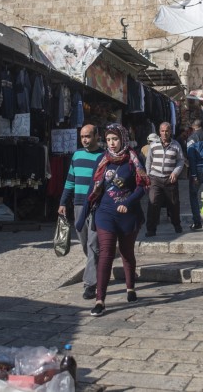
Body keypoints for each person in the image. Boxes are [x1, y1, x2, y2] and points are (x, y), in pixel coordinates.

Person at [75, 123, 148, 317]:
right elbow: (93, 188)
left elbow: (142, 186)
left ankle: (130, 287)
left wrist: (129, 202)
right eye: (108, 140)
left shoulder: (134, 160)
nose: (112, 143)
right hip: (105, 213)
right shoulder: (102, 159)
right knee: (105, 253)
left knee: (126, 252)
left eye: (115, 139)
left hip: (128, 214)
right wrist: (82, 216)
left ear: (122, 138)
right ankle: (100, 300)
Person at [58, 124, 104, 300]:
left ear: (96, 136)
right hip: (78, 205)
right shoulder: (76, 155)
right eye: (82, 136)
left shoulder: (103, 157)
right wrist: (63, 202)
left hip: (95, 205)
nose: (85, 139)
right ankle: (96, 269)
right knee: (84, 241)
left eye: (88, 136)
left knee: (93, 243)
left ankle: (90, 284)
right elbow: (70, 180)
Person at [144, 122, 185, 236]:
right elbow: (148, 161)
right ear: (159, 132)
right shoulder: (153, 145)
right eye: (162, 131)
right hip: (155, 178)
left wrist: (175, 172)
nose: (165, 133)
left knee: (174, 203)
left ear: (170, 131)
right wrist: (148, 176)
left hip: (169, 180)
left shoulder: (176, 145)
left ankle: (177, 225)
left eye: (167, 131)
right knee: (153, 203)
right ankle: (151, 229)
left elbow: (181, 160)